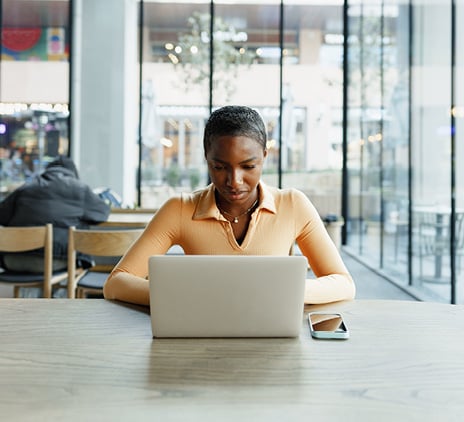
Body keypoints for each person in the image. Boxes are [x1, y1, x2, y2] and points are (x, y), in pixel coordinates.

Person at [103, 105, 355, 306]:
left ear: (264, 156)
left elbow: (343, 283)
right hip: (201, 343)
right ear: (206, 158)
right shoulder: (179, 209)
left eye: (248, 166)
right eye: (220, 167)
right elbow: (116, 282)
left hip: (271, 342)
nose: (234, 182)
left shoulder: (293, 205)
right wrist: (182, 297)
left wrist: (285, 292)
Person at [0, 155, 110, 272]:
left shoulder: (26, 188)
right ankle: (55, 290)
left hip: (12, 259)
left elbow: (2, 216)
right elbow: (102, 213)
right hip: (55, 261)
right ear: (73, 173)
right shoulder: (80, 189)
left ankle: (35, 290)